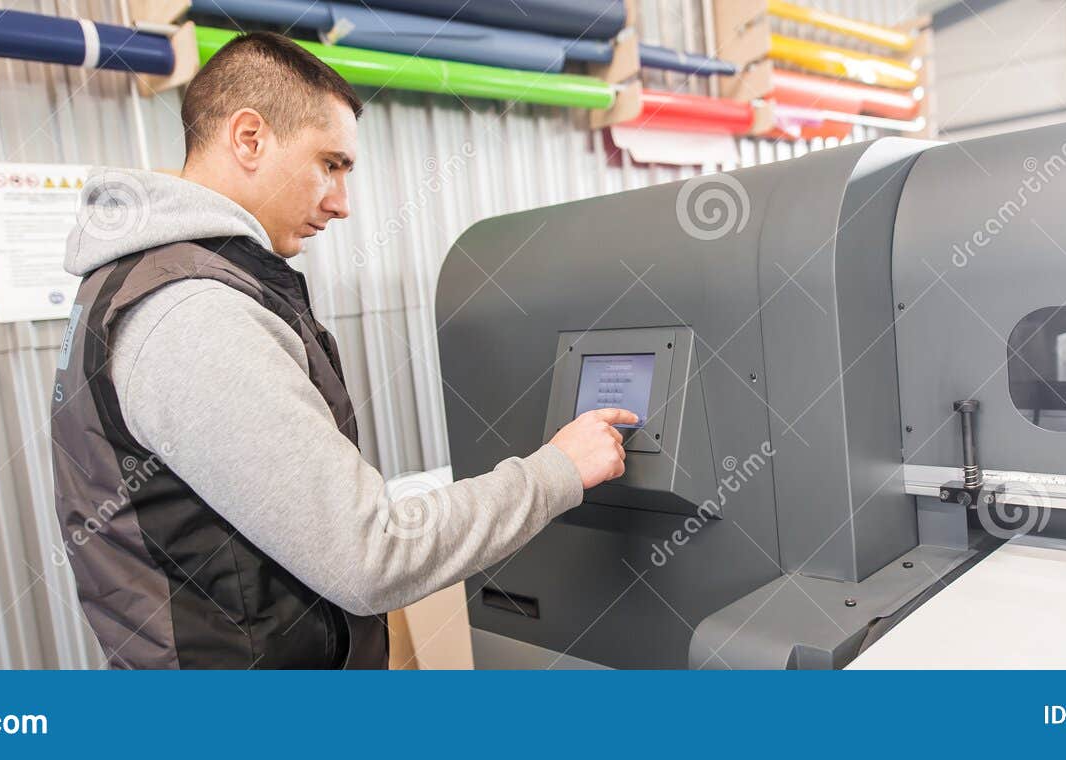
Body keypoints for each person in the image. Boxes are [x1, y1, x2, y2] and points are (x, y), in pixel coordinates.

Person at [49, 31, 633, 669]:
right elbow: (371, 556)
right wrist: (557, 471)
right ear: (249, 138)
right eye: (330, 164)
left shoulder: (140, 283)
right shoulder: (192, 313)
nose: (341, 203)